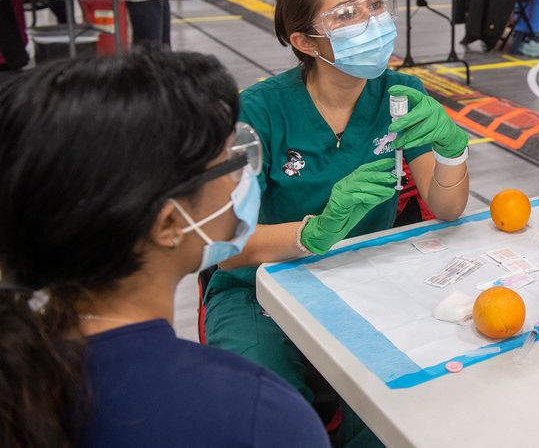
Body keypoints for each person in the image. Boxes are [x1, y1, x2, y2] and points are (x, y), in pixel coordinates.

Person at [0, 50, 329, 448]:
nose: (244, 176)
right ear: (169, 223)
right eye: (231, 161)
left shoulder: (25, 366)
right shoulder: (254, 415)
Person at [203, 0, 470, 443]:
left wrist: (454, 152)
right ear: (305, 42)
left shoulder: (400, 94)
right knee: (266, 412)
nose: (371, 22)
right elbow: (225, 246)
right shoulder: (257, 112)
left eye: (374, 5)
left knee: (395, 409)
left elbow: (448, 208)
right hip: (260, 286)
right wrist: (313, 232)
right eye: (346, 15)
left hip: (368, 276)